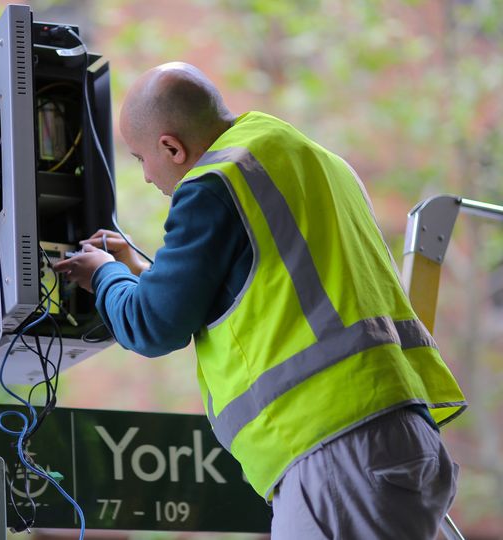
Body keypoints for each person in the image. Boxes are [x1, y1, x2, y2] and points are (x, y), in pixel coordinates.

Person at [53, 62, 466, 539]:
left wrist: (103, 276)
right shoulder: (307, 159)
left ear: (171, 147)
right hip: (396, 437)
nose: (146, 176)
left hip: (334, 448)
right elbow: (252, 287)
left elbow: (153, 325)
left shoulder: (215, 181)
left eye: (140, 158)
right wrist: (140, 271)